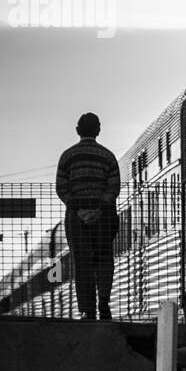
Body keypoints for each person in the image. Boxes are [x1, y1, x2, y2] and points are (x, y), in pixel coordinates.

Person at [56, 112, 121, 320]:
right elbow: (114, 187)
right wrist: (99, 209)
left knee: (82, 264)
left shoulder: (67, 156)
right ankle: (104, 303)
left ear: (77, 130)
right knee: (103, 260)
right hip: (104, 217)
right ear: (98, 130)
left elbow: (61, 187)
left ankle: (87, 310)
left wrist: (78, 210)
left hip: (76, 218)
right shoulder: (108, 156)